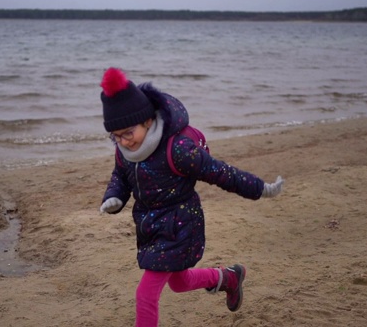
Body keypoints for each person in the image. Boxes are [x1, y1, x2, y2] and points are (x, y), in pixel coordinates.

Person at [98, 67, 284, 327]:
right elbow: (121, 175)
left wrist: (259, 188)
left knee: (145, 294)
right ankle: (228, 278)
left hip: (180, 223)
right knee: (178, 282)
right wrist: (114, 197)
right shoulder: (124, 151)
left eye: (128, 133)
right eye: (115, 136)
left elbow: (220, 173)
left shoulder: (179, 150)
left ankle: (228, 278)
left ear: (148, 121)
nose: (124, 142)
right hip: (150, 225)